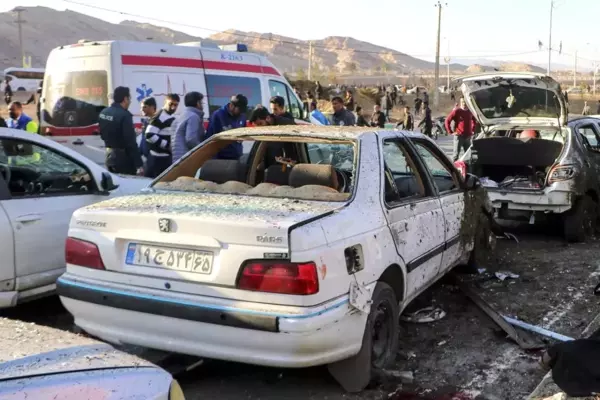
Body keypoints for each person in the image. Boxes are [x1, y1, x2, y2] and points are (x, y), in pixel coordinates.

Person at [98, 86, 143, 175]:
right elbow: (131, 143)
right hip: (123, 159)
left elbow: (102, 134)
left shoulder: (104, 112)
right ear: (125, 99)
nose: (130, 101)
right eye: (129, 98)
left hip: (109, 156)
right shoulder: (125, 115)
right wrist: (139, 164)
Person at [143, 96, 178, 178]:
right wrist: (166, 145)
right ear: (165, 103)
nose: (173, 107)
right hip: (158, 159)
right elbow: (149, 135)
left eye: (176, 105)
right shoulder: (160, 116)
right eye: (171, 104)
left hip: (164, 158)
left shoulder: (167, 116)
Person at [206, 94, 248, 159]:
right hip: (222, 159)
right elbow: (211, 139)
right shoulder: (217, 116)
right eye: (239, 110)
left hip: (237, 156)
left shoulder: (242, 115)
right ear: (231, 105)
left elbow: (244, 131)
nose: (241, 113)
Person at [173, 91, 205, 163]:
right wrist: (203, 150)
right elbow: (191, 140)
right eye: (202, 103)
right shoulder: (193, 117)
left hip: (176, 159)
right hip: (187, 159)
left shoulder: (179, 117)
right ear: (198, 103)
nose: (202, 105)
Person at [445, 97, 478, 161]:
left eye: (465, 102)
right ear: (460, 103)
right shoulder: (457, 111)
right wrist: (450, 132)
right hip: (459, 136)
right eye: (462, 102)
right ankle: (454, 169)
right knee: (456, 155)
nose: (464, 103)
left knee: (468, 155)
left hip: (468, 137)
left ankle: (467, 169)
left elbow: (475, 121)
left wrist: (473, 130)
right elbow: (447, 121)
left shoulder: (470, 111)